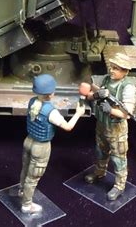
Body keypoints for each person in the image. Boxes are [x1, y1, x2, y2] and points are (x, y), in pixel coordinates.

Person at [19, 74, 85, 214]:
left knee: (25, 170)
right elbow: (68, 127)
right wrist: (78, 113)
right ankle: (26, 205)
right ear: (51, 93)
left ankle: (22, 191)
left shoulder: (32, 102)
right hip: (41, 147)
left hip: (28, 140)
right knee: (33, 178)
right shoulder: (51, 112)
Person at [84, 53, 136, 201]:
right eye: (112, 67)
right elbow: (92, 95)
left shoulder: (127, 87)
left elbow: (127, 114)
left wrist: (111, 110)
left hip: (116, 129)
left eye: (116, 69)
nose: (112, 71)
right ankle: (99, 172)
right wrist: (97, 95)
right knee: (100, 152)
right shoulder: (107, 79)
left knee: (118, 158)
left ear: (125, 71)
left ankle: (119, 185)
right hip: (102, 124)